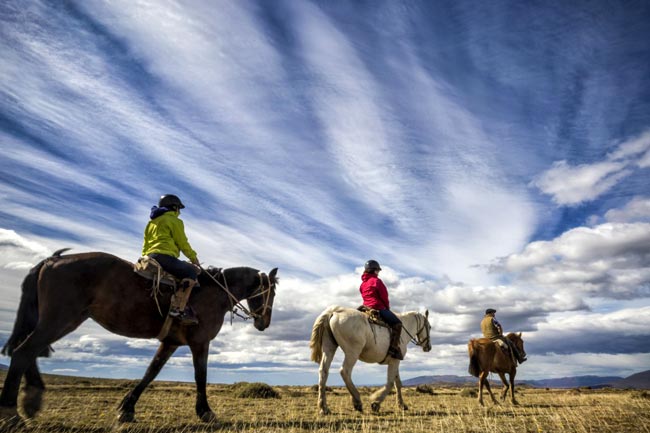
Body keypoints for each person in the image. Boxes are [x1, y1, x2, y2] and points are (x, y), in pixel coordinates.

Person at [142, 194, 201, 325]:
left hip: (150, 256)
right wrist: (193, 258)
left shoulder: (151, 223)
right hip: (165, 256)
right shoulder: (174, 221)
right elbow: (182, 242)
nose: (179, 212)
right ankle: (177, 309)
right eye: (179, 208)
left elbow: (146, 242)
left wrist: (145, 256)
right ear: (174, 207)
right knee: (191, 272)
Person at [359, 260, 403, 360]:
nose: (378, 273)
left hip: (365, 307)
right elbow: (384, 296)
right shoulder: (377, 281)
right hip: (377, 307)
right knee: (398, 324)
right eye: (378, 271)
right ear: (374, 271)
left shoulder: (362, 284)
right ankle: (393, 349)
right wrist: (387, 308)